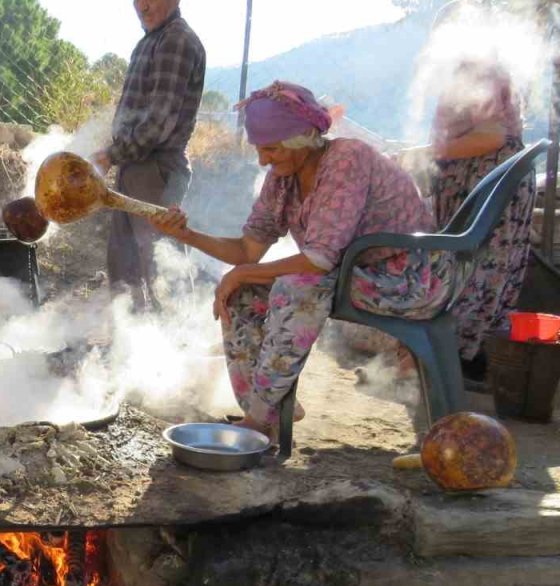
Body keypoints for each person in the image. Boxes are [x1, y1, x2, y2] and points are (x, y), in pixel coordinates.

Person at [150, 81, 453, 440]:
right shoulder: (282, 178)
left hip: (413, 276)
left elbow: (319, 260)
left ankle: (259, 419)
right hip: (356, 274)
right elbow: (248, 252)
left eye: (272, 149)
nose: (264, 160)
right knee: (242, 290)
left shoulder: (347, 160)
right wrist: (187, 234)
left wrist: (246, 271)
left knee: (297, 286)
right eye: (260, 150)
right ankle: (268, 410)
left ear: (303, 138)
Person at [402, 58, 535, 385]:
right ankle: (462, 359)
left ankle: (460, 358)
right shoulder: (475, 71)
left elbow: (491, 135)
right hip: (477, 183)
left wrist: (424, 153)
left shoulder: (483, 72)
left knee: (476, 271)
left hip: (486, 183)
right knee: (471, 270)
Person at [92, 0, 205, 310]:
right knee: (124, 262)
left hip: (156, 168)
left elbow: (159, 121)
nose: (142, 4)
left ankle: (177, 342)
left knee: (160, 265)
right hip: (136, 165)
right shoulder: (151, 40)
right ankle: (133, 342)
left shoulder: (175, 41)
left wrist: (112, 154)